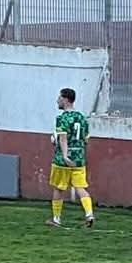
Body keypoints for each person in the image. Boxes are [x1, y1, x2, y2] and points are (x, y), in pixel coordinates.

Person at [49, 87, 94, 229]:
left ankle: (56, 219)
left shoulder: (62, 118)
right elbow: (86, 139)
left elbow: (63, 138)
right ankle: (89, 214)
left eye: (59, 98)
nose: (57, 100)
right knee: (81, 187)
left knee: (58, 188)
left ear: (65, 99)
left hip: (63, 160)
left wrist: (64, 155)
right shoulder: (82, 118)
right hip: (79, 158)